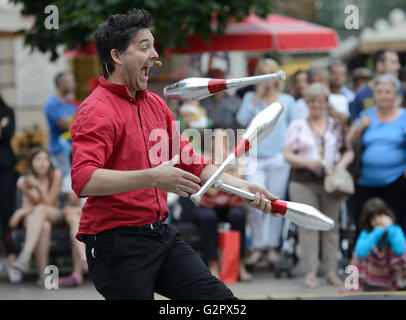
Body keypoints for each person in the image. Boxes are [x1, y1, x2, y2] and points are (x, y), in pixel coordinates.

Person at [70, 9, 278, 300]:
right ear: (117, 56)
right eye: (145, 48)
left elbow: (191, 161)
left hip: (159, 235)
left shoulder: (156, 104)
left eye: (153, 47)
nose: (155, 55)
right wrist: (153, 177)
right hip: (115, 244)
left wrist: (242, 188)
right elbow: (83, 179)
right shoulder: (95, 111)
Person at [283, 83, 354, 288]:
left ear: (325, 103)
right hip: (303, 180)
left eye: (320, 101)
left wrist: (340, 165)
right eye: (312, 101)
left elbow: (348, 150)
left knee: (331, 226)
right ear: (307, 103)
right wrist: (306, 162)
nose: (316, 104)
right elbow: (287, 154)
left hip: (331, 182)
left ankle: (331, 271)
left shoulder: (335, 125)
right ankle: (310, 272)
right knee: (308, 227)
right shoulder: (297, 126)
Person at [236, 58, 297, 270]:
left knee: (275, 202)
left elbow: (294, 129)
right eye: (264, 74)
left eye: (271, 74)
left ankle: (273, 246)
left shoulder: (287, 101)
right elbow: (242, 119)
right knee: (254, 200)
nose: (268, 79)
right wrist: (257, 97)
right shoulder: (251, 98)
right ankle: (258, 246)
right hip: (255, 157)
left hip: (278, 157)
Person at [347, 74, 406, 233]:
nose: (383, 95)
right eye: (379, 92)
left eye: (387, 92)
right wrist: (359, 128)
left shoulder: (404, 117)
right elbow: (348, 141)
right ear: (374, 95)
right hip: (366, 182)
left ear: (395, 95)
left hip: (396, 182)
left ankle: (396, 258)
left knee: (395, 226)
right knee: (365, 226)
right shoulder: (367, 116)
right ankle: (364, 258)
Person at [193, 128, 251, 282]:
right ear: (210, 142)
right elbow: (211, 191)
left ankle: (239, 264)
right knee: (208, 218)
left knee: (238, 215)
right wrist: (220, 163)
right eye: (217, 139)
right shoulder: (203, 158)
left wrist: (222, 165)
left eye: (224, 139)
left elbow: (237, 186)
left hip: (231, 204)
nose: (221, 143)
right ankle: (213, 265)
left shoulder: (237, 159)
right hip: (208, 205)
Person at [9, 147, 63, 285]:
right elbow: (38, 203)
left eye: (45, 159)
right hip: (35, 218)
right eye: (38, 159)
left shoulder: (56, 175)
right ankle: (43, 275)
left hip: (53, 213)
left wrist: (38, 185)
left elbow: (48, 202)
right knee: (44, 226)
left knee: (41, 209)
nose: (42, 163)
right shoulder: (23, 181)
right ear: (31, 162)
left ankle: (25, 255)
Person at [348, 198, 406, 291]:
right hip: (371, 275)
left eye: (380, 215)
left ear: (387, 215)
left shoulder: (395, 230)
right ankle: (355, 287)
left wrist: (390, 227)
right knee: (358, 250)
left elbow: (400, 249)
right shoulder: (367, 233)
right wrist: (377, 232)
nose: (378, 220)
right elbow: (360, 253)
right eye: (373, 218)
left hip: (391, 275)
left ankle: (402, 284)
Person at [0, 93, 20, 282]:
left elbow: (7, 135)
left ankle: (11, 259)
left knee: (7, 213)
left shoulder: (7, 112)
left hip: (5, 170)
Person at [350, 49, 402, 121]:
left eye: (387, 92)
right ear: (379, 65)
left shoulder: (401, 89)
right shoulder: (361, 94)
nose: (398, 67)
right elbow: (353, 123)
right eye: (393, 62)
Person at [44, 71, 78, 177]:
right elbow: (65, 124)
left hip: (73, 151)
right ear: (61, 84)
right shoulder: (52, 103)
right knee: (64, 185)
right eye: (71, 81)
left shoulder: (70, 102)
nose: (75, 84)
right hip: (59, 152)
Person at [58, 173, 88, 287]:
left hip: (94, 212)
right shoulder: (69, 177)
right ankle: (83, 260)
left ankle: (78, 272)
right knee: (74, 220)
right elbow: (74, 202)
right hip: (80, 215)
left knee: (73, 217)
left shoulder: (102, 172)